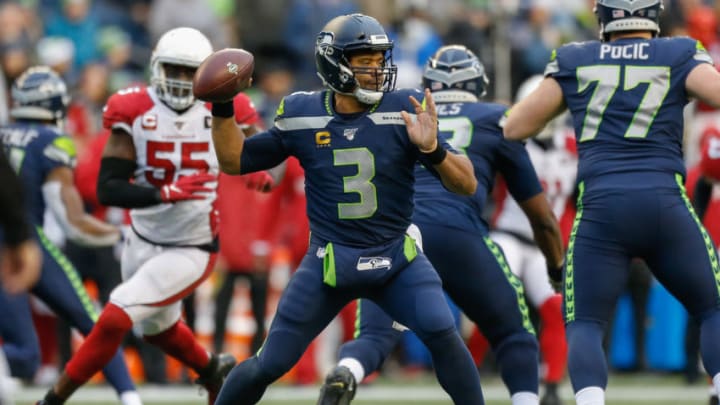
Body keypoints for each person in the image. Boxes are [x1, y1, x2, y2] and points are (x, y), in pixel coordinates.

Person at [208, 13, 484, 405]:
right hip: (329, 262)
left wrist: (432, 148)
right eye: (365, 61)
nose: (377, 70)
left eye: (379, 59)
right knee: (270, 362)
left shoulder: (403, 106)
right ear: (335, 64)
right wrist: (222, 108)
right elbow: (235, 160)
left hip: (395, 258)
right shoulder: (303, 112)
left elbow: (467, 183)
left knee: (443, 333)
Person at [317, 45, 565, 405]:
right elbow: (540, 214)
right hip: (460, 233)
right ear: (478, 83)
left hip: (398, 233)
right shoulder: (497, 118)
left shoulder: (398, 111)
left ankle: (350, 369)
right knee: (514, 334)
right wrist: (556, 266)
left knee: (375, 333)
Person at [504, 1, 720, 404]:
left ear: (602, 19)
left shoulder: (576, 58)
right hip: (664, 201)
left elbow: (516, 126)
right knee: (713, 308)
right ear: (654, 16)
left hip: (602, 209)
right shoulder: (678, 52)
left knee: (585, 322)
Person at [36, 27, 262, 405]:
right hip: (140, 238)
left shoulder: (226, 103)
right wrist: (164, 192)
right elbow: (109, 187)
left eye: (190, 72)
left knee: (116, 313)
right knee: (159, 329)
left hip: (192, 244)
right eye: (173, 70)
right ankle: (211, 369)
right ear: (157, 67)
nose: (180, 80)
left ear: (206, 72)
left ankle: (51, 400)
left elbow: (266, 148)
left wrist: (261, 168)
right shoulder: (134, 107)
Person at [0, 65, 142, 405]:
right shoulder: (52, 141)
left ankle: (129, 397)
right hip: (25, 240)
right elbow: (71, 220)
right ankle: (129, 397)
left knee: (26, 355)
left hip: (16, 238)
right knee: (92, 322)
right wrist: (119, 232)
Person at [490, 74, 575, 405]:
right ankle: (477, 362)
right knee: (493, 300)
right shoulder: (510, 139)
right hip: (508, 234)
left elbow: (574, 200)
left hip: (543, 246)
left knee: (557, 310)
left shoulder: (571, 145)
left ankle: (552, 384)